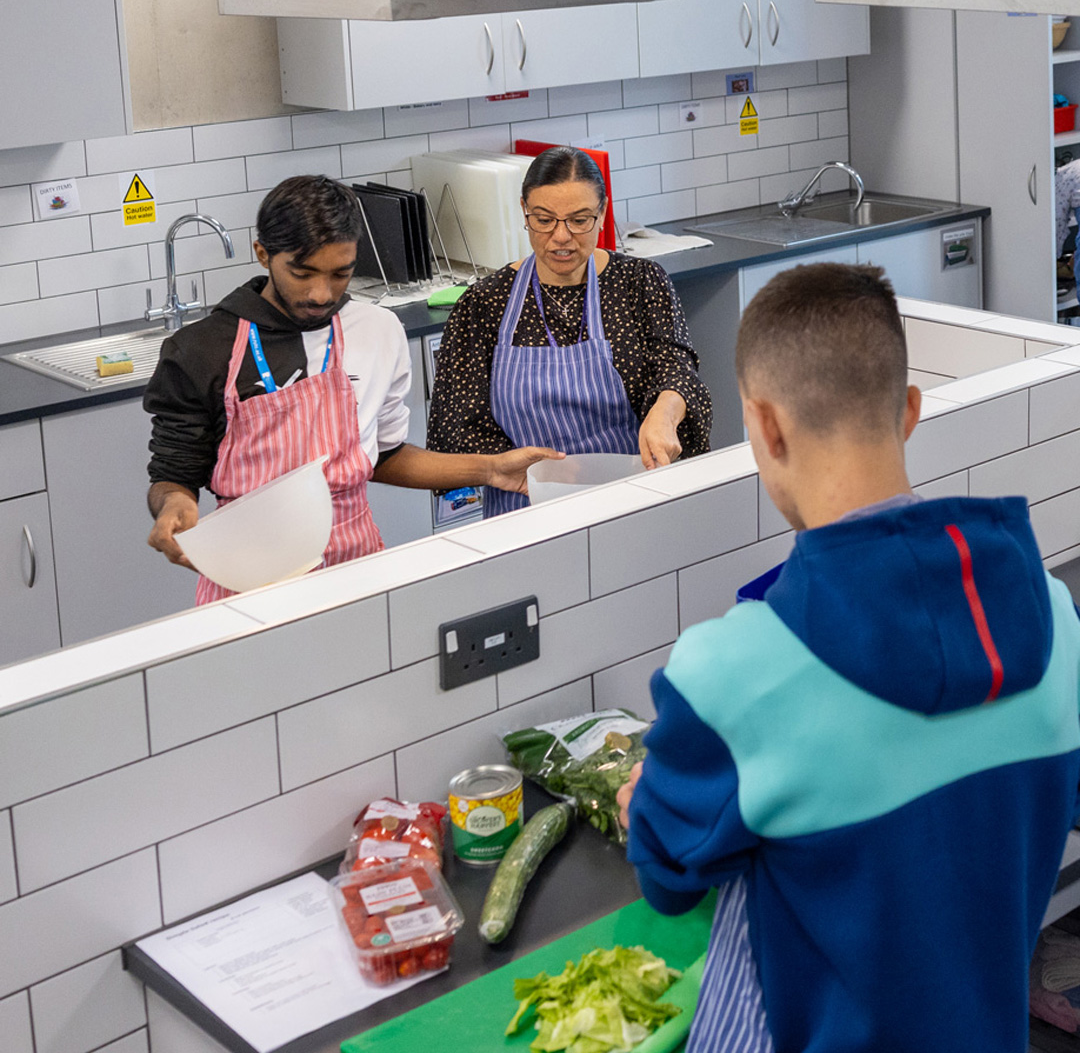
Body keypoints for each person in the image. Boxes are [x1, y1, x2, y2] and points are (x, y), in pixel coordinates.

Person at [616, 262, 1080, 1053]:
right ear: (909, 411)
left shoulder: (733, 673)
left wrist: (641, 800)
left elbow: (666, 876)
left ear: (762, 426)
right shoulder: (1056, 621)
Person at [144, 175, 558, 604]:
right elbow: (175, 474)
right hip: (248, 574)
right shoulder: (201, 349)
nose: (321, 293)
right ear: (263, 253)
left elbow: (383, 456)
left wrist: (490, 470)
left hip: (357, 567)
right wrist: (174, 505)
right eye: (302, 273)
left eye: (340, 273)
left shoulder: (377, 331)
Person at [426, 145, 712, 517]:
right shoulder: (484, 304)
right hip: (525, 509)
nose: (561, 237)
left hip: (634, 498)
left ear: (603, 213)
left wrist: (665, 413)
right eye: (544, 220)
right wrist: (530, 466)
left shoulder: (639, 283)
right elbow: (455, 427)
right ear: (524, 212)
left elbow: (676, 367)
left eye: (579, 220)